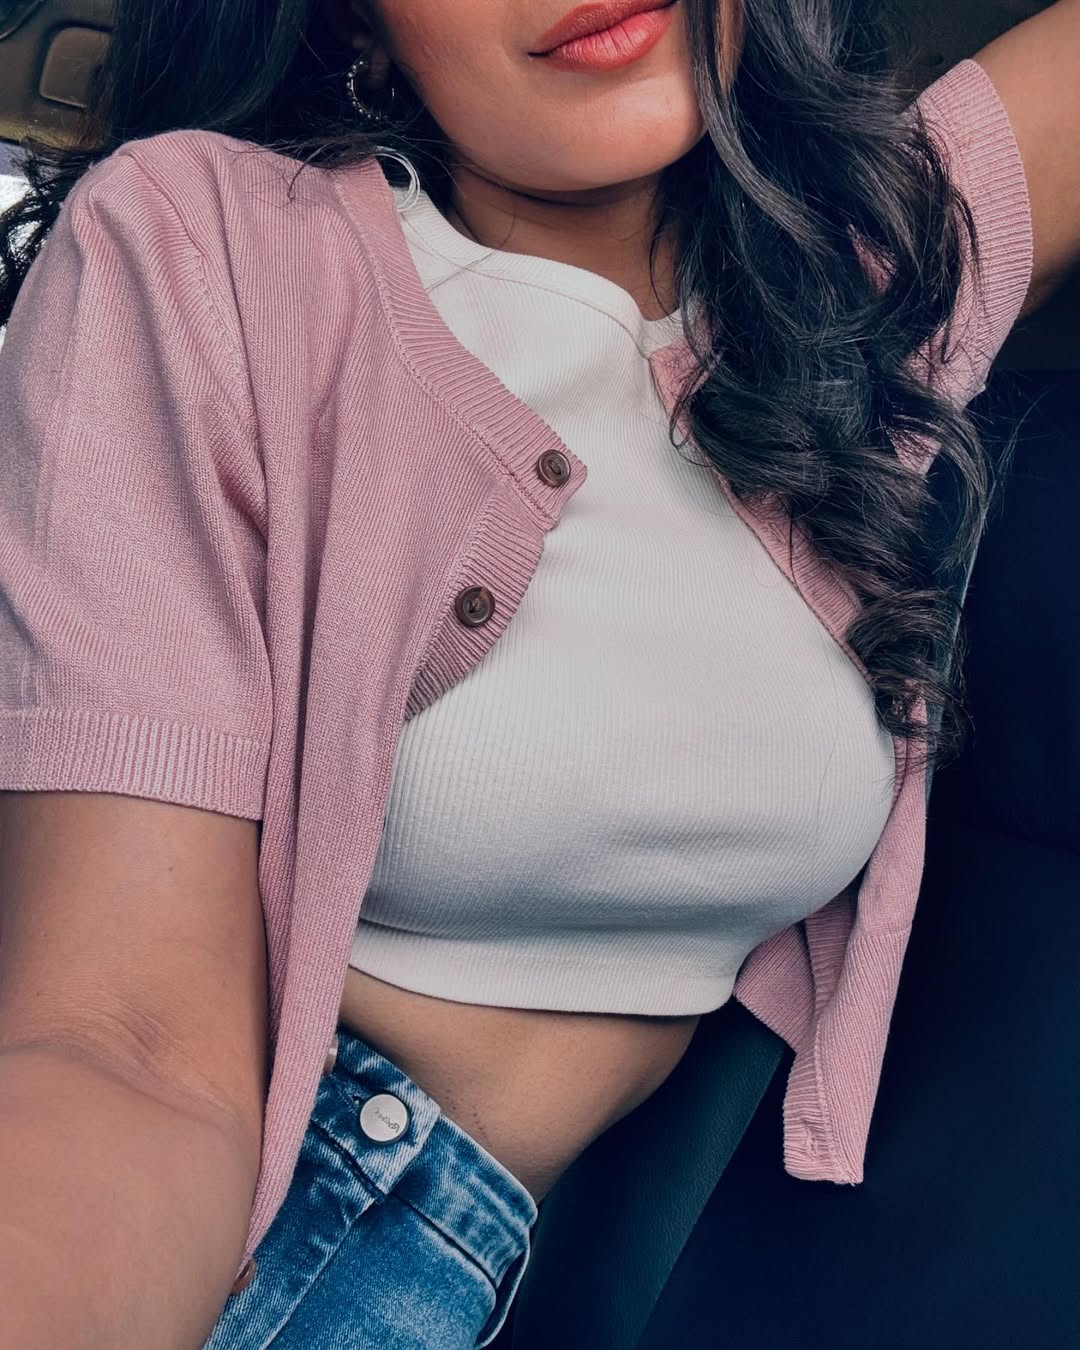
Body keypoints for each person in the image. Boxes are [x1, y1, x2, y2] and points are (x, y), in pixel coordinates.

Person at [0, 1, 1075, 1346]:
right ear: (357, 22)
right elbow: (125, 1041)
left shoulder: (862, 285)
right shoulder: (203, 241)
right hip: (239, 1250)